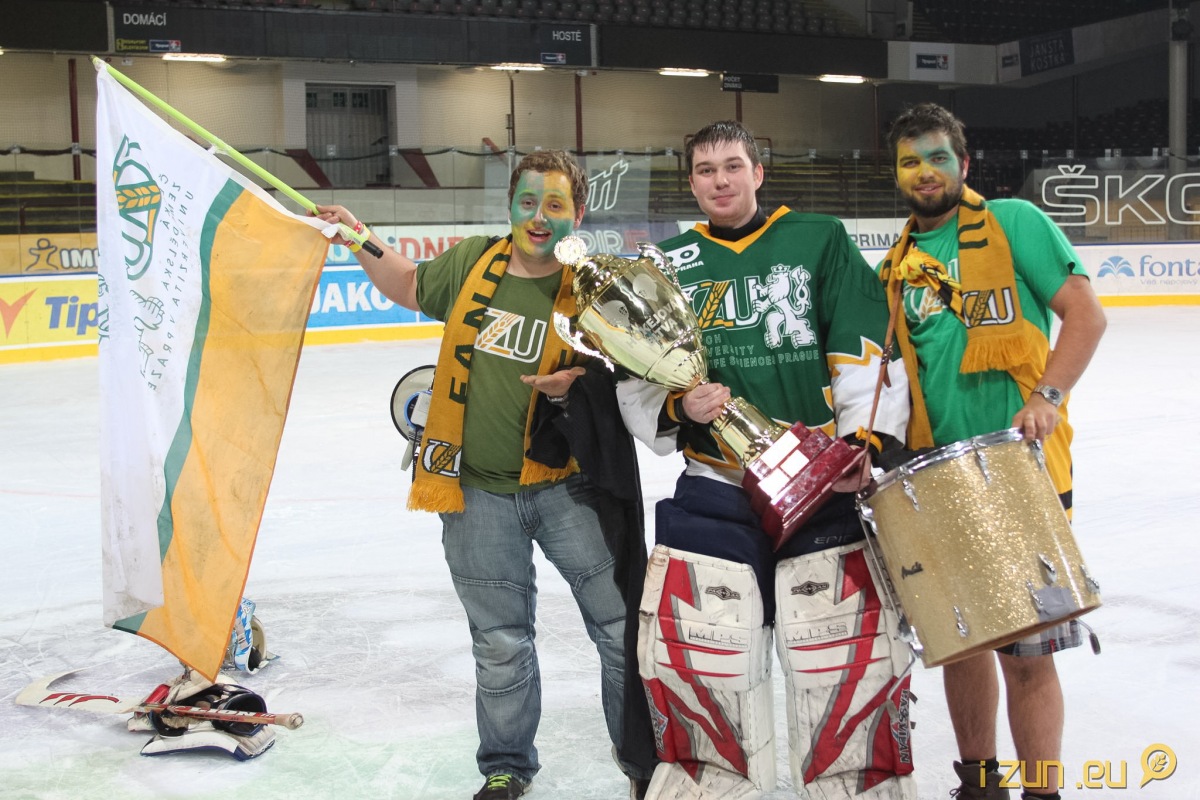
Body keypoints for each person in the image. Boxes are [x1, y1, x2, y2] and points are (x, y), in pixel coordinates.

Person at [314, 150, 657, 800]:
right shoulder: (474, 262)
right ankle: (505, 767)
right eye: (527, 202)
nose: (538, 217)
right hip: (476, 495)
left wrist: (576, 387)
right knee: (500, 642)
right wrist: (359, 237)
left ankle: (642, 762)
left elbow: (635, 382)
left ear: (579, 213)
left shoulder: (597, 290)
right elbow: (408, 285)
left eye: (554, 204)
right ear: (510, 206)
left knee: (620, 630)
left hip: (568, 489)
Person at [616, 120, 916, 800]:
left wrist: (863, 443)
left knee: (842, 664)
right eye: (705, 170)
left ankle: (855, 786)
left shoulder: (820, 239)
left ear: (758, 171)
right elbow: (636, 374)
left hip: (818, 487)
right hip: (715, 485)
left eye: (732, 165)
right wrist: (679, 408)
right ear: (691, 182)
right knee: (706, 667)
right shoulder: (666, 265)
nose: (720, 180)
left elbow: (864, 342)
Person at [878, 103, 1107, 800]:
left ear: (964, 164)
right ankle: (980, 786)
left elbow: (1086, 315)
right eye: (910, 161)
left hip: (1018, 469)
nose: (924, 172)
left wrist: (1049, 396)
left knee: (1027, 654)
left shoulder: (1012, 223)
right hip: (938, 478)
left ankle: (1042, 793)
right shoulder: (897, 266)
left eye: (937, 157)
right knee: (963, 643)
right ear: (897, 174)